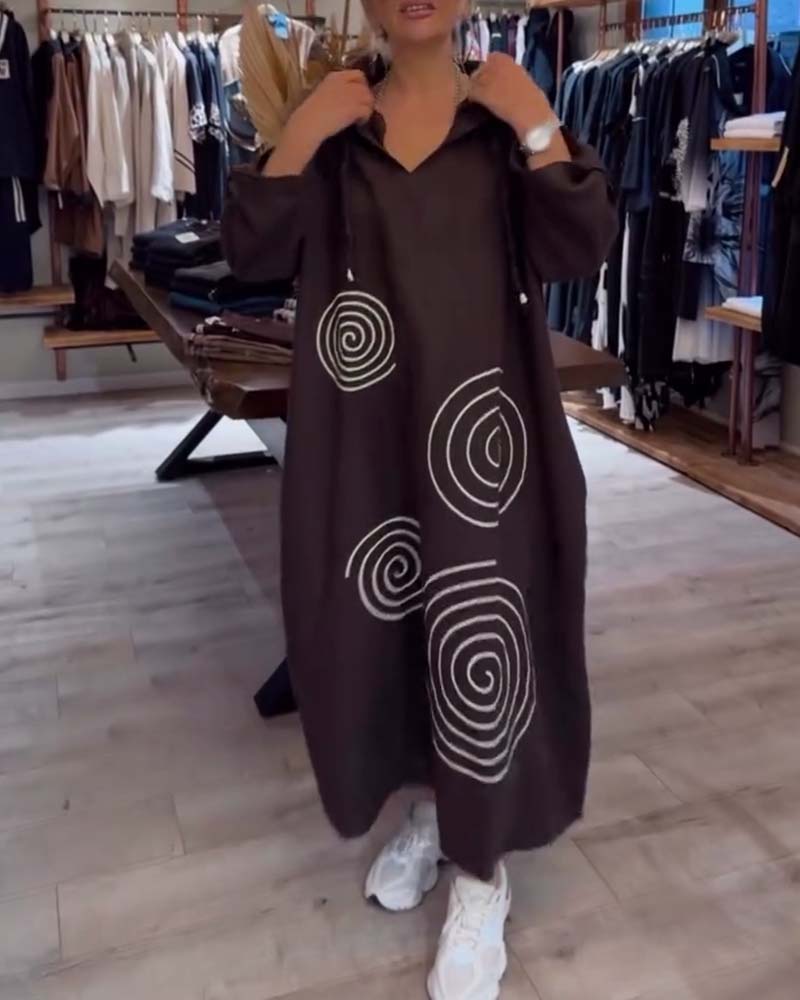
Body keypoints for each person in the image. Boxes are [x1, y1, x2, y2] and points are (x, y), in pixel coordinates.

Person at [222, 0, 616, 994]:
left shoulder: (502, 123)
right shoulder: (336, 128)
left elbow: (581, 245)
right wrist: (298, 138)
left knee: (483, 633)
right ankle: (439, 811)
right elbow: (252, 253)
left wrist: (538, 124)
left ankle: (483, 875)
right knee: (380, 633)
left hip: (489, 448)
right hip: (368, 444)